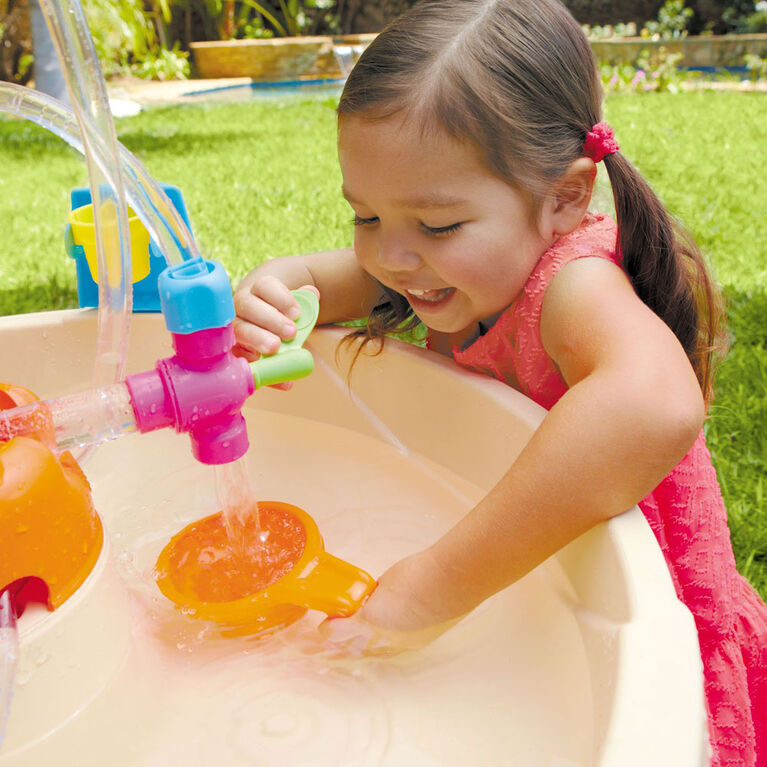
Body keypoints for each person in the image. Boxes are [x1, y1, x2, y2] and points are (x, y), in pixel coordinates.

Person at [232, 0, 767, 762]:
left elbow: (655, 402)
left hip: (648, 610)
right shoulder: (455, 265)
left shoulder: (571, 286)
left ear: (564, 198)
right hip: (552, 574)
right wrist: (276, 285)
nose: (391, 257)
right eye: (365, 215)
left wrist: (435, 586)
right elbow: (343, 278)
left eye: (436, 225)